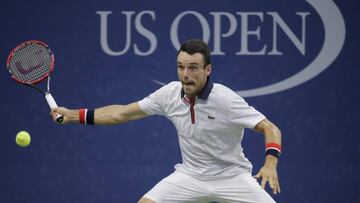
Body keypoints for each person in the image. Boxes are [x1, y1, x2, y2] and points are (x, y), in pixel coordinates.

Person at [51, 39, 282, 203]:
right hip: (190, 176)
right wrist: (72, 115)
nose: (185, 74)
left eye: (193, 68)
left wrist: (270, 164)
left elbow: (270, 128)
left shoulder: (225, 100)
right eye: (181, 67)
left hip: (233, 177)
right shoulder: (169, 94)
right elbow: (121, 113)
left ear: (207, 70)